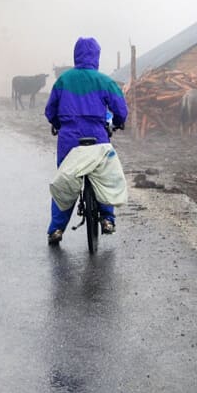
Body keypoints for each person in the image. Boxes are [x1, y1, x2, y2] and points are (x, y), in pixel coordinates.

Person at [44, 36, 128, 245]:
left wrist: (58, 123)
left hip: (69, 138)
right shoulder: (104, 80)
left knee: (66, 182)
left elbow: (50, 110)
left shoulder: (63, 80)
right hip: (97, 136)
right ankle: (107, 220)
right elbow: (120, 109)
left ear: (76, 55)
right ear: (96, 56)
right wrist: (118, 122)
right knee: (103, 177)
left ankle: (56, 229)